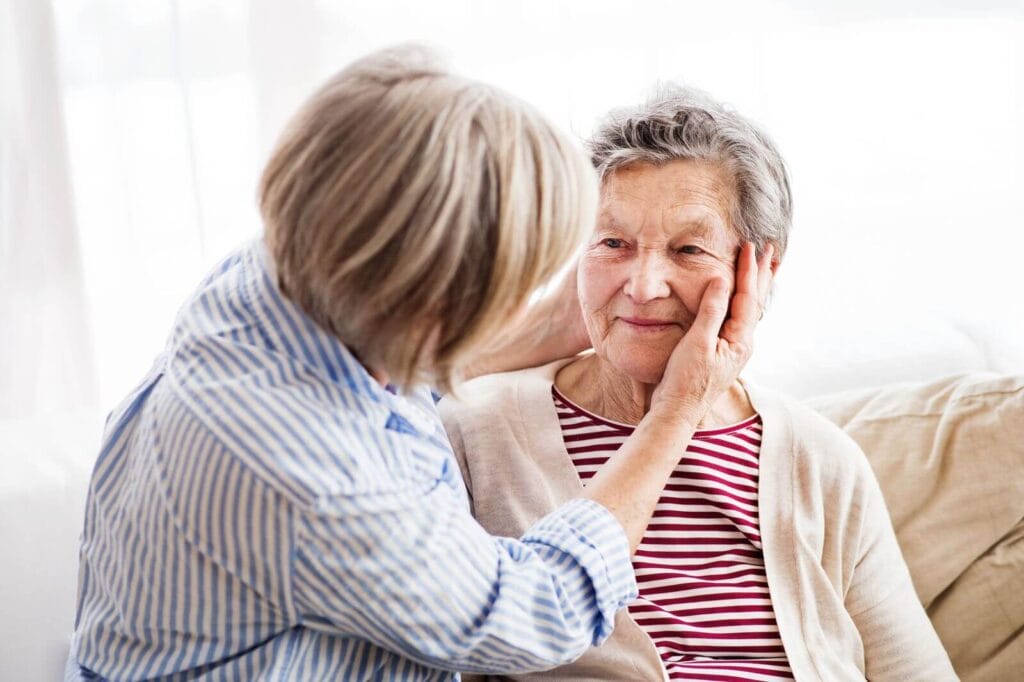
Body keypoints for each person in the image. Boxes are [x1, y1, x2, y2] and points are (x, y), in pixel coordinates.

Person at [66, 48, 771, 680]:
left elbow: (389, 346)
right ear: (427, 296)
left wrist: (558, 324)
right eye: (610, 243)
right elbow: (536, 611)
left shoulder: (282, 267)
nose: (642, 282)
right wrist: (674, 412)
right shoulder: (319, 477)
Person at [439, 85, 958, 681]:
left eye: (688, 249)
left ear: (759, 270)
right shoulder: (475, 430)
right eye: (613, 243)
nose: (643, 285)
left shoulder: (821, 460)